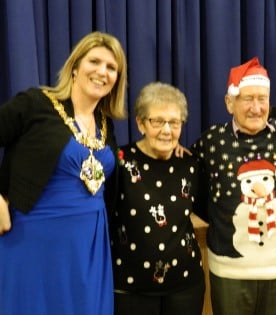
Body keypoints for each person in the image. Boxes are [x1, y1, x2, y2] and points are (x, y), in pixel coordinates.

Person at [0, 31, 127, 314]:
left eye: (111, 67)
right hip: (34, 240)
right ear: (75, 66)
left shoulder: (105, 123)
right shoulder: (36, 103)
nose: (102, 72)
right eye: (94, 61)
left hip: (90, 247)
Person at [191, 57, 276, 315]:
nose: (256, 107)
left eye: (262, 98)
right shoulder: (212, 140)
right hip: (229, 270)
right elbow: (192, 184)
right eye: (247, 98)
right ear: (230, 103)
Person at [111, 82, 205, 315]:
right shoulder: (119, 161)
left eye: (174, 122)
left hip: (186, 285)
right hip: (131, 288)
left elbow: (207, 209)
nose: (166, 130)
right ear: (141, 124)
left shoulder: (191, 164)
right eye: (157, 121)